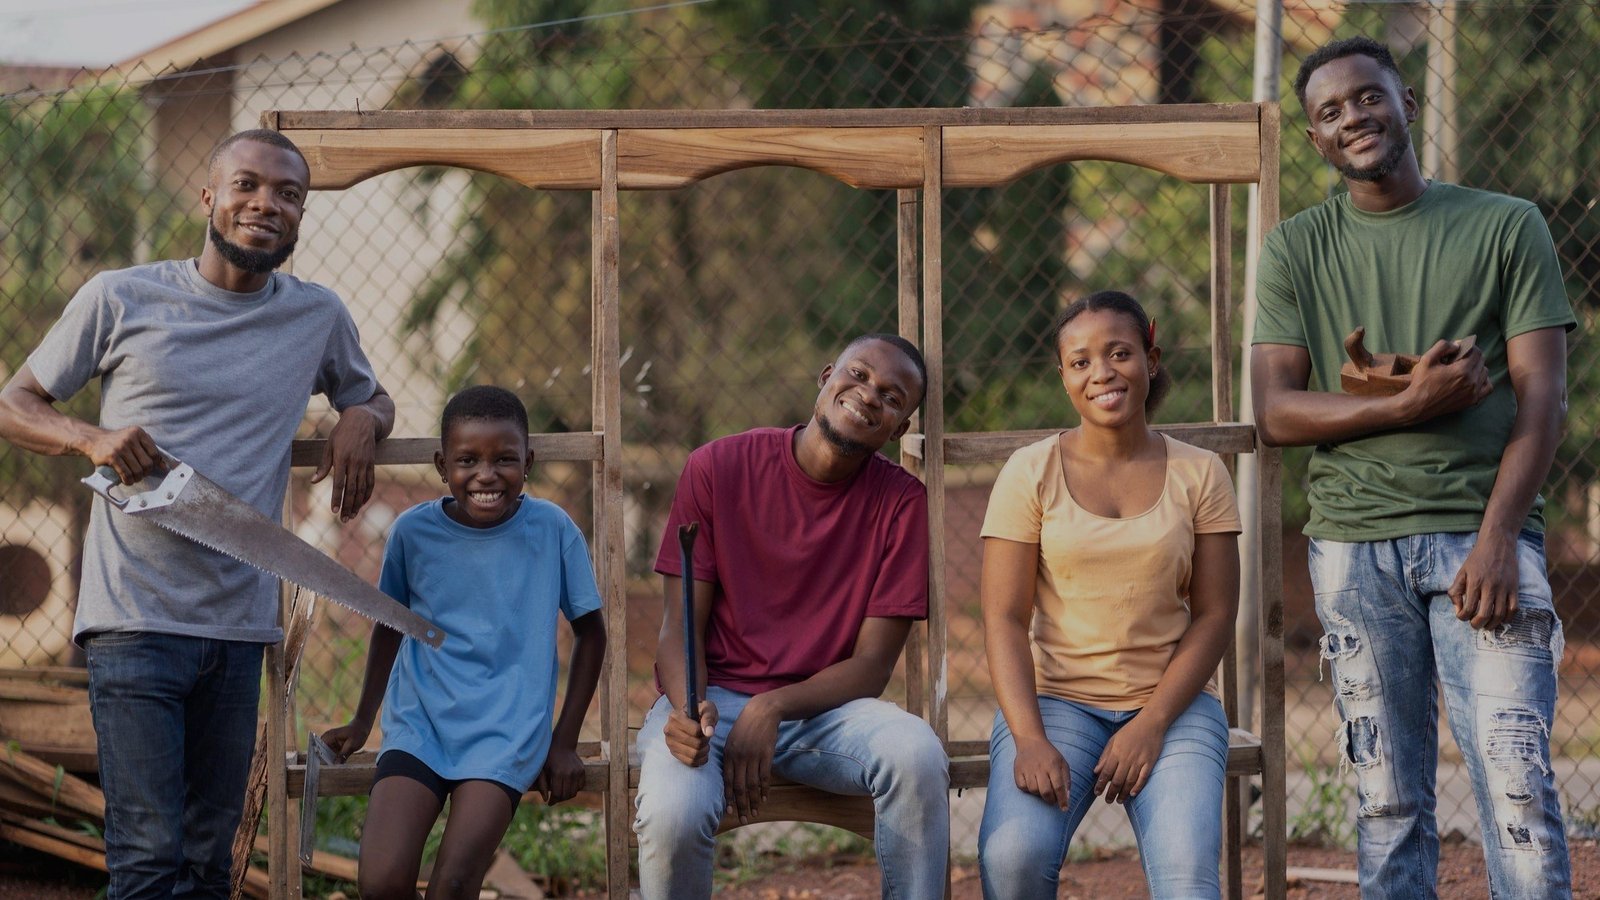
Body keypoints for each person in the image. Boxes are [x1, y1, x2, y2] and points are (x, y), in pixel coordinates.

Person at [0, 129, 395, 898]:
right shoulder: (121, 296)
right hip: (135, 621)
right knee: (148, 860)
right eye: (247, 185)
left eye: (287, 195)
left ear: (301, 215)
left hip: (239, 628)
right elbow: (14, 404)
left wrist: (362, 418)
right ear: (209, 197)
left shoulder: (317, 316)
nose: (266, 205)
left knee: (212, 865)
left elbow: (370, 393)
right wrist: (93, 437)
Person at [1252, 36, 1575, 898]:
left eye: (1367, 97)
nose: (1352, 117)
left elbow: (1544, 398)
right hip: (1355, 549)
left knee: (1516, 788)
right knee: (1387, 802)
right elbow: (1276, 410)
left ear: (1406, 102)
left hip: (1484, 539)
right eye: (1329, 112)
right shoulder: (1295, 249)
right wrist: (1405, 405)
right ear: (1315, 140)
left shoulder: (1507, 223)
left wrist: (1501, 536)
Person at [632, 333, 949, 899]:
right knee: (672, 815)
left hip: (824, 713)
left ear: (899, 429)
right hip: (711, 703)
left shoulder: (902, 502)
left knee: (916, 753)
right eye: (857, 374)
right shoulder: (717, 466)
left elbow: (873, 665)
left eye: (892, 396)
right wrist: (687, 710)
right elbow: (679, 630)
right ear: (826, 377)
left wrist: (773, 706)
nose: (868, 394)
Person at [976, 291, 1240, 899]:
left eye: (1119, 353)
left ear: (1150, 357)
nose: (1102, 373)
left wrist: (1150, 724)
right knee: (1013, 859)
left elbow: (1216, 614)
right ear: (1064, 376)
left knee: (1188, 880)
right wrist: (1029, 737)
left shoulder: (1201, 472)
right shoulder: (1029, 471)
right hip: (1057, 704)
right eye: (1080, 362)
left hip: (1172, 707)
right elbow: (1004, 618)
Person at [322, 385, 606, 900]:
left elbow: (592, 633)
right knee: (382, 882)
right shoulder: (412, 532)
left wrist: (563, 741)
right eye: (467, 460)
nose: (486, 475)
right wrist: (364, 721)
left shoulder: (552, 529)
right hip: (421, 725)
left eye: (505, 459)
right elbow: (390, 624)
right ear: (440, 464)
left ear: (529, 462)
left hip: (507, 733)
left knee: (452, 885)